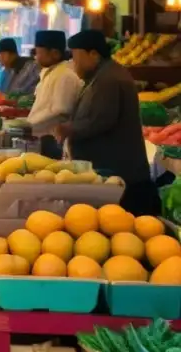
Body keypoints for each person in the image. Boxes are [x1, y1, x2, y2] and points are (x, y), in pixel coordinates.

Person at [55, 29, 160, 216]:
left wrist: (68, 129)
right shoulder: (102, 75)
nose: (73, 63)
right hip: (111, 174)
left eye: (76, 57)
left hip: (120, 176)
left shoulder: (110, 79)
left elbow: (101, 120)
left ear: (93, 54)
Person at [26, 30, 83, 159]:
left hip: (54, 142)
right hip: (40, 138)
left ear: (55, 54)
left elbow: (60, 111)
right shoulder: (51, 72)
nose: (36, 57)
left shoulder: (65, 75)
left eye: (39, 53)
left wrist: (28, 124)